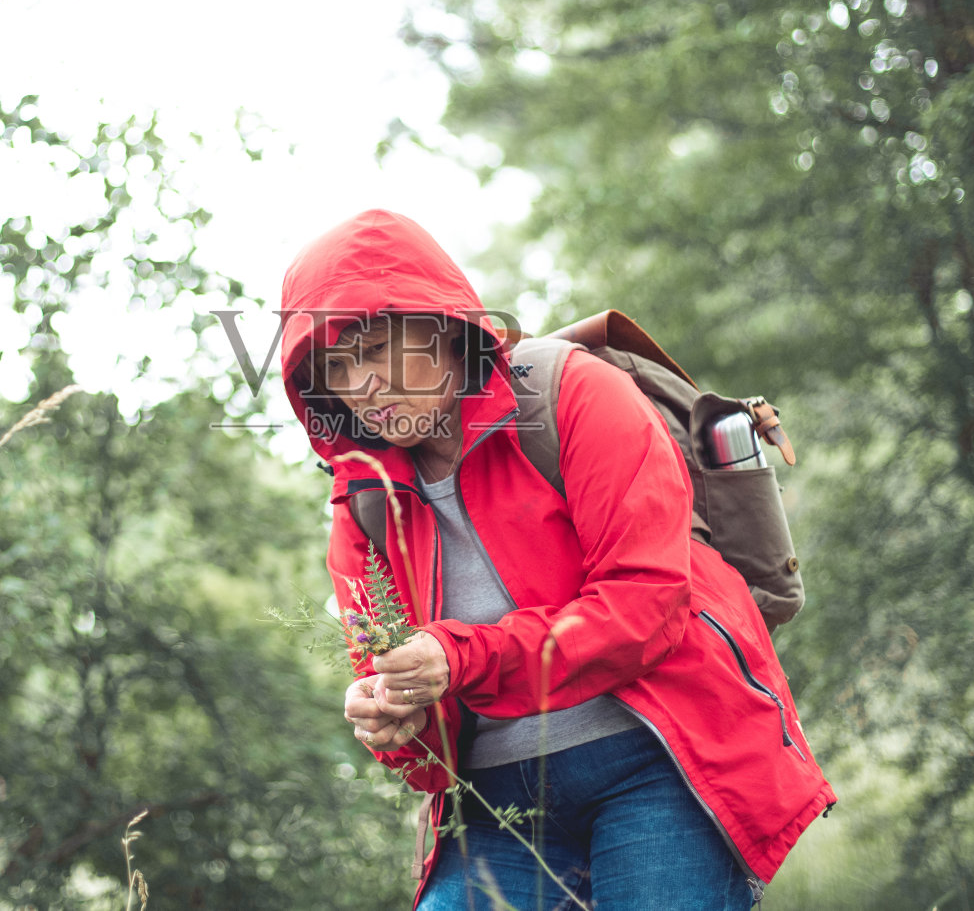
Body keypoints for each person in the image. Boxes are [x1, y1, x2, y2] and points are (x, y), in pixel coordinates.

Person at [279, 209, 834, 910]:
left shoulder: (575, 393)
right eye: (335, 367)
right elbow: (425, 747)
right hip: (499, 806)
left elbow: (646, 605)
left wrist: (457, 656)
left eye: (375, 348)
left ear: (444, 326)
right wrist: (398, 721)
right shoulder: (359, 498)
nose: (360, 385)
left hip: (662, 762)